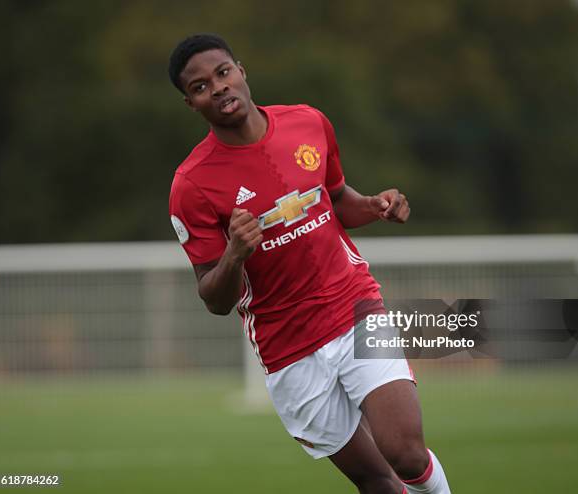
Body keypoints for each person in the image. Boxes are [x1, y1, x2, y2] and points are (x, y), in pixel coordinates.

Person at [168, 33, 451, 494]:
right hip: (288, 347)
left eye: (222, 73)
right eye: (200, 86)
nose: (217, 88)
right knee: (375, 478)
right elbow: (214, 299)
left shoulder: (309, 123)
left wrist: (377, 205)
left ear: (241, 70)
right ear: (190, 103)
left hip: (354, 307)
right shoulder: (191, 185)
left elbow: (339, 201)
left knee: (405, 453)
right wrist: (236, 252)